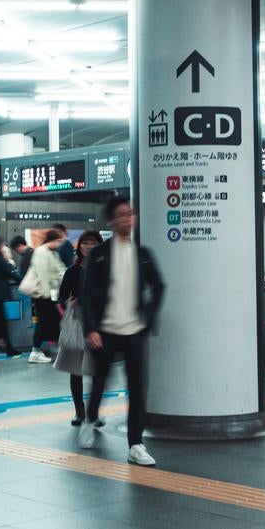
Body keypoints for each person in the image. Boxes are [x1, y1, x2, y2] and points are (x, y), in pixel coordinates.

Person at [80, 195, 166, 466]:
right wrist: (90, 328)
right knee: (100, 382)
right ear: (111, 220)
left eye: (130, 214)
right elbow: (86, 294)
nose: (126, 219)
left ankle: (135, 444)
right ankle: (90, 417)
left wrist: (148, 317)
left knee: (137, 389)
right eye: (120, 215)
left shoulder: (143, 254)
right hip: (105, 331)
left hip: (135, 331)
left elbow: (160, 286)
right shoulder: (99, 254)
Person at [56, 229, 105, 426]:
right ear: (79, 246)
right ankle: (79, 412)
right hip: (77, 322)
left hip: (99, 322)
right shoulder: (72, 271)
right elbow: (61, 296)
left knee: (97, 370)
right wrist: (69, 301)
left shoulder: (105, 270)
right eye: (85, 243)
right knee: (75, 369)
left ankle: (94, 413)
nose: (88, 247)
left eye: (93, 243)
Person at [23, 228, 68, 363]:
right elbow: (42, 275)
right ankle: (36, 352)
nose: (60, 244)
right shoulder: (42, 252)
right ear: (52, 240)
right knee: (44, 323)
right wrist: (48, 295)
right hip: (43, 295)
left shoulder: (50, 252)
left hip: (49, 294)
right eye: (59, 241)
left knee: (53, 323)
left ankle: (59, 349)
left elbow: (60, 270)